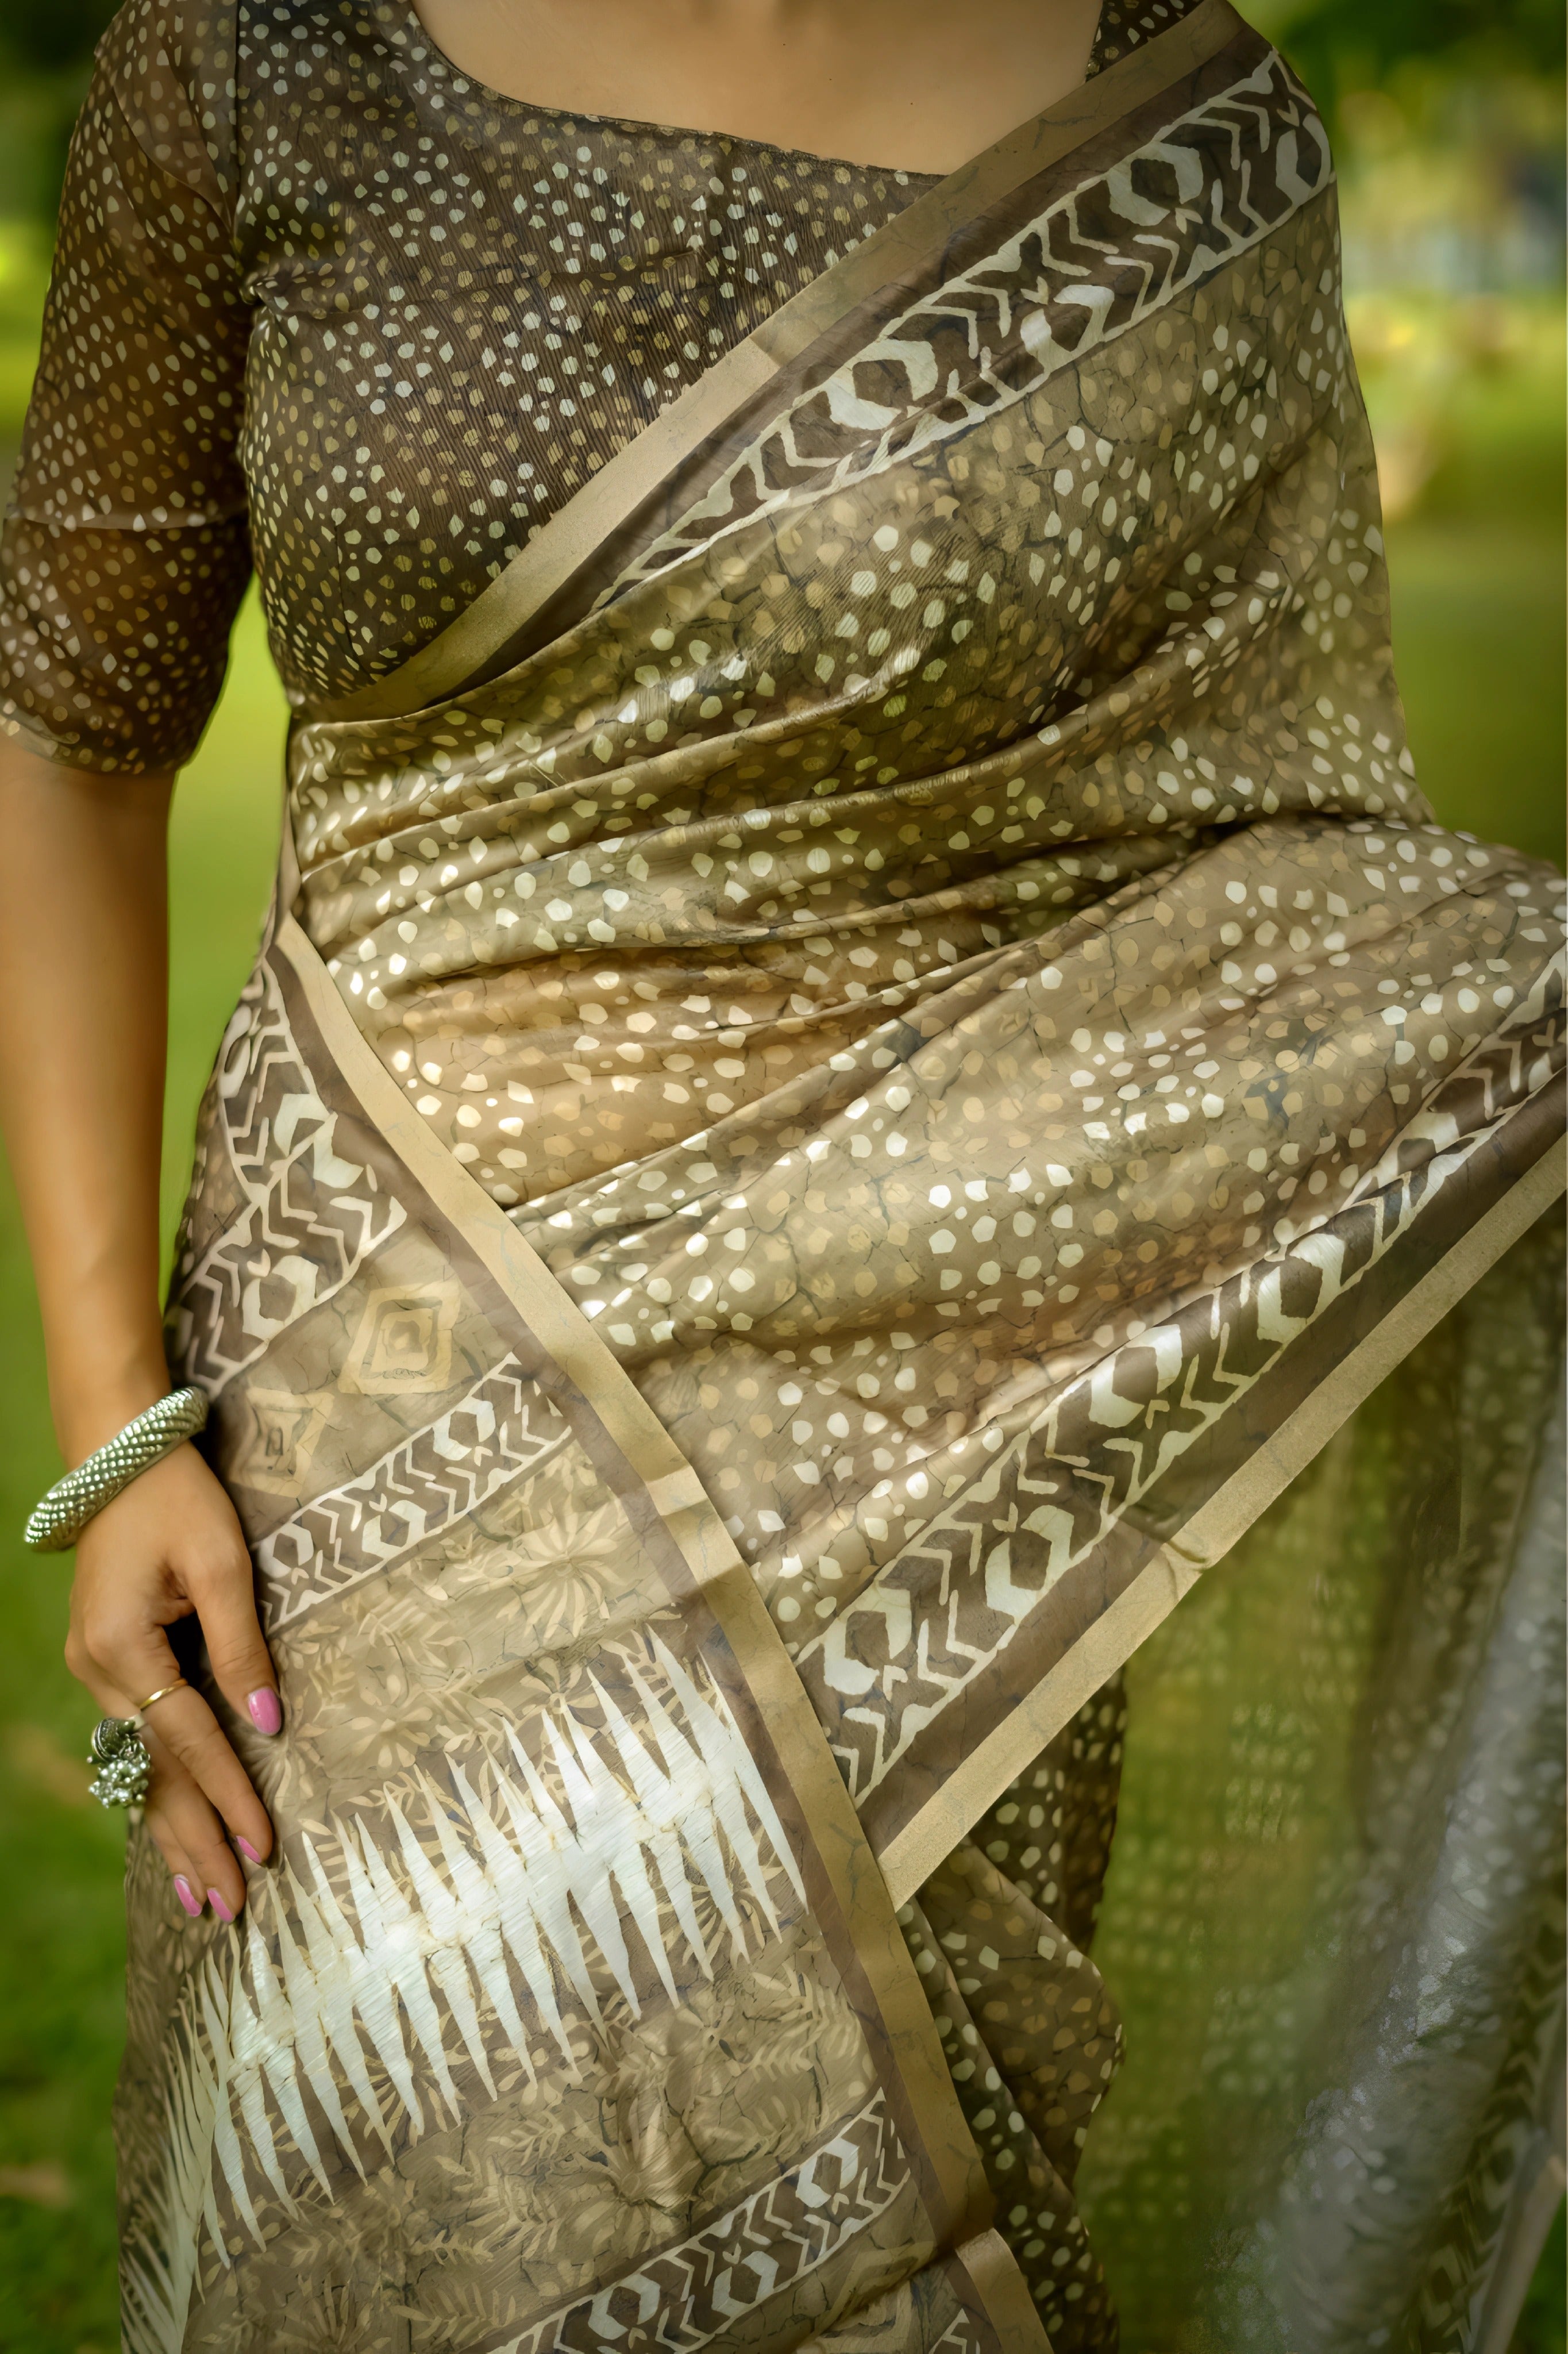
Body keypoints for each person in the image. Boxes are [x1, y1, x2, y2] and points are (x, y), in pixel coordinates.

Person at [0, 0, 1561, 2345]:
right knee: (391, 2174)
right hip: (383, 1354)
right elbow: (71, 728)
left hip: (932, 1399)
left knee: (899, 2187)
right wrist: (116, 1415)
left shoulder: (1159, 106)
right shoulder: (247, 68)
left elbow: (1256, 825)